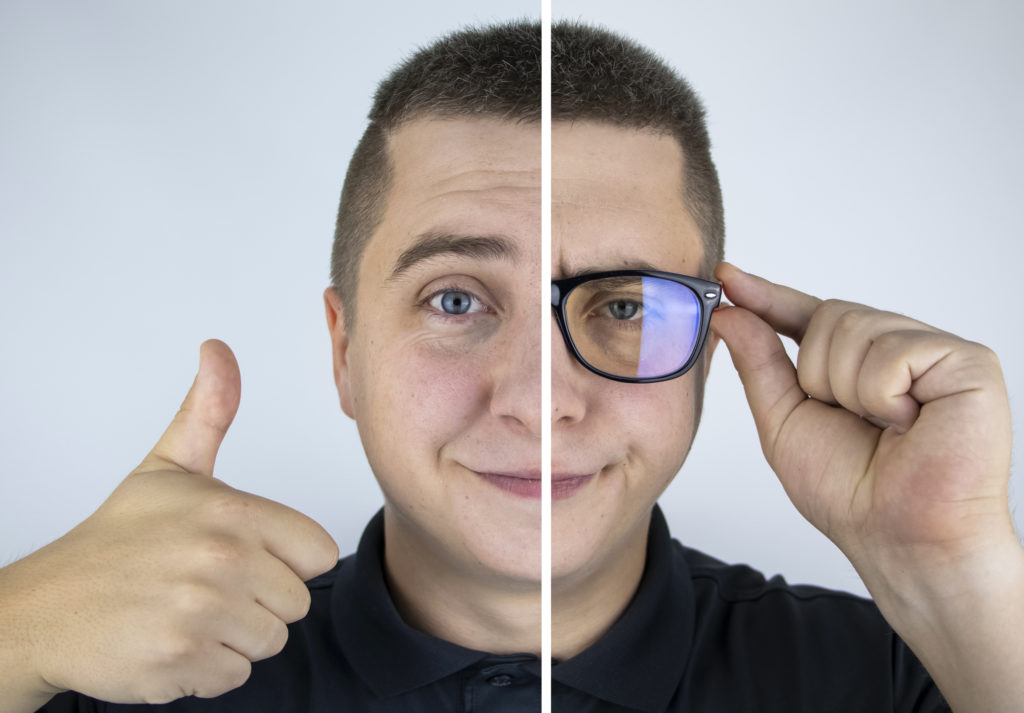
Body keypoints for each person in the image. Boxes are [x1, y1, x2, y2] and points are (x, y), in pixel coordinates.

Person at [1, 18, 1020, 713]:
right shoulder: (118, 668)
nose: (539, 399)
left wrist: (958, 572)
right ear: (345, 348)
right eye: (455, 299)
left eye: (621, 304)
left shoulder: (909, 674)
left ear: (712, 353)